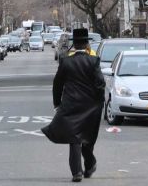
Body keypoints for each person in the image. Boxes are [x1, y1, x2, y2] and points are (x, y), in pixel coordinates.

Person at [41, 28, 106, 182]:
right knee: (88, 138)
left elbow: (57, 84)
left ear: (74, 44)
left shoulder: (65, 61)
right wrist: (99, 102)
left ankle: (77, 172)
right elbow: (100, 84)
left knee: (74, 138)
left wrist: (57, 103)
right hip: (91, 105)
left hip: (71, 104)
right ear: (87, 44)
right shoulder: (93, 60)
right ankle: (90, 165)